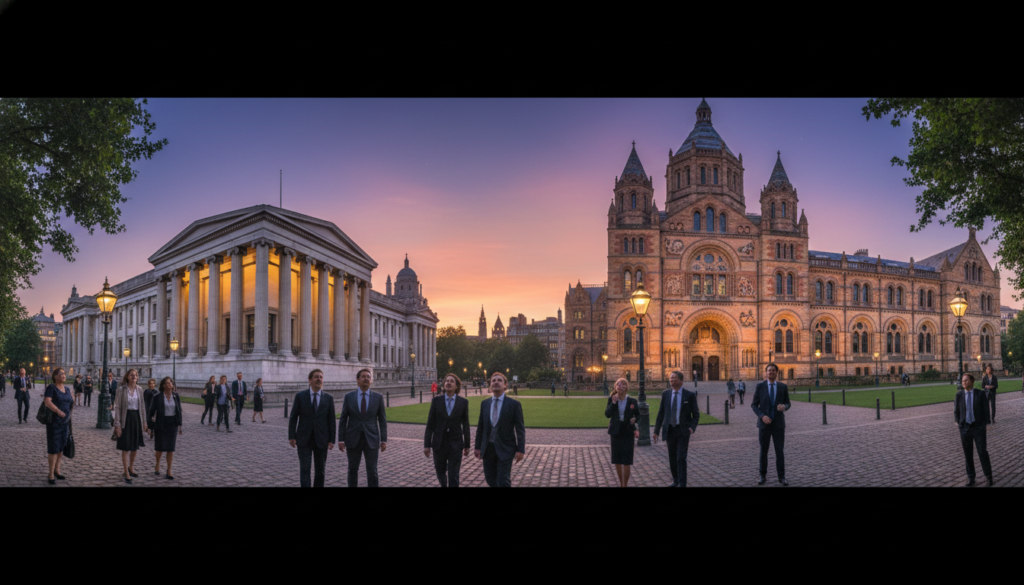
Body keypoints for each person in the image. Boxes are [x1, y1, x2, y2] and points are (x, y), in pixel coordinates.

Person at [474, 372, 525, 487]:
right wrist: (477, 447)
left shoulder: (514, 404)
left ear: (505, 385)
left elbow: (520, 429)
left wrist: (520, 449)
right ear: (490, 385)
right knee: (490, 479)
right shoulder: (485, 404)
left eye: (499, 380)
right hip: (488, 449)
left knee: (503, 481)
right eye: (493, 380)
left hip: (506, 448)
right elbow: (480, 427)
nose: (496, 382)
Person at [338, 369, 387, 487]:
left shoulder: (378, 397)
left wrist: (384, 440)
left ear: (371, 380)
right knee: (352, 470)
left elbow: (382, 420)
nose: (366, 379)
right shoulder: (349, 397)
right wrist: (341, 439)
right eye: (363, 376)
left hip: (372, 439)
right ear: (358, 380)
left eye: (368, 377)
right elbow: (343, 419)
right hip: (353, 439)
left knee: (372, 471)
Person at [288, 369, 336, 487]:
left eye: (321, 377)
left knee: (320, 471)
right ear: (310, 380)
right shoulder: (300, 396)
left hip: (322, 439)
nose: (319, 379)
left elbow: (331, 420)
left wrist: (332, 439)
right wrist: (291, 436)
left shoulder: (328, 398)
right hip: (304, 439)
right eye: (316, 377)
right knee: (305, 469)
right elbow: (293, 417)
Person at [652, 370, 700, 487]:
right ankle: (676, 480)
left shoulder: (689, 395)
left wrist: (692, 427)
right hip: (670, 431)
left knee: (681, 458)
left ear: (681, 381)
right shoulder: (666, 394)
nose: (672, 381)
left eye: (674, 379)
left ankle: (682, 483)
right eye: (671, 379)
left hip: (683, 431)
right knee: (672, 458)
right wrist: (656, 431)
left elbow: (696, 414)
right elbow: (661, 413)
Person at [423, 373, 471, 488]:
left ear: (456, 386)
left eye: (451, 381)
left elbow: (465, 425)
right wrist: (427, 445)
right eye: (446, 381)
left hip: (456, 443)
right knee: (440, 471)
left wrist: (467, 445)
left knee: (454, 474)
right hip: (439, 443)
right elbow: (430, 424)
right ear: (444, 385)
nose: (448, 383)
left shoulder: (463, 402)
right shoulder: (436, 401)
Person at [751, 363, 791, 486]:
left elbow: (788, 403)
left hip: (778, 424)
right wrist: (762, 416)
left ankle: (782, 476)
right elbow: (754, 405)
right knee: (763, 451)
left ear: (776, 372)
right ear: (766, 372)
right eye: (769, 370)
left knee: (779, 451)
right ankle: (762, 475)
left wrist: (784, 406)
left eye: (773, 370)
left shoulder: (783, 387)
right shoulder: (760, 386)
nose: (771, 372)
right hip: (764, 424)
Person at [955, 373, 993, 486]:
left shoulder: (980, 394)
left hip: (978, 428)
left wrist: (986, 424)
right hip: (965, 428)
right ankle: (971, 478)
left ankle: (989, 476)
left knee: (982, 452)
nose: (964, 382)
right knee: (968, 454)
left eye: (966, 380)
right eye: (963, 381)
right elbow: (956, 411)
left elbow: (986, 409)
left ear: (972, 382)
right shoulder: (959, 395)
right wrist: (958, 422)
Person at [113, 369, 148, 484]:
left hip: (136, 418)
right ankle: (125, 471)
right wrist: (117, 424)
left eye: (136, 375)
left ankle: (131, 467)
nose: (134, 376)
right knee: (126, 446)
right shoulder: (121, 390)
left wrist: (144, 422)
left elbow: (142, 406)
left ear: (137, 378)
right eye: (131, 375)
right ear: (127, 377)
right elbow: (117, 407)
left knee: (134, 445)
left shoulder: (140, 389)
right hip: (125, 418)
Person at [605, 378, 639, 488]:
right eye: (619, 384)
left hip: (628, 432)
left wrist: (635, 419)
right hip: (615, 432)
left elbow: (638, 415)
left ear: (627, 387)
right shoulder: (612, 399)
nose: (621, 386)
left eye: (624, 384)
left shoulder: (632, 401)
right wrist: (614, 403)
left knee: (627, 461)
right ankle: (621, 484)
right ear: (615, 387)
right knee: (617, 460)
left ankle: (625, 485)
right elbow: (607, 414)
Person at [147, 377, 183, 480]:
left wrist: (179, 423)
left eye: (170, 383)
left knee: (170, 448)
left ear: (173, 385)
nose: (169, 385)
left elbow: (179, 410)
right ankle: (157, 463)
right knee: (160, 447)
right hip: (161, 423)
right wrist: (150, 425)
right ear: (163, 385)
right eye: (166, 383)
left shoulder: (176, 396)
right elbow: (151, 411)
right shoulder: (157, 396)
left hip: (172, 424)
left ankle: (169, 469)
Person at [43, 368, 74, 485]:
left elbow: (71, 402)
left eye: (64, 374)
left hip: (65, 423)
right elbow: (47, 401)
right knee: (53, 448)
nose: (64, 375)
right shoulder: (51, 388)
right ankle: (50, 473)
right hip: (54, 422)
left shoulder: (67, 389)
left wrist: (70, 414)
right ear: (55, 376)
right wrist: (57, 411)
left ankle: (57, 470)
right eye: (61, 374)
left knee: (61, 447)